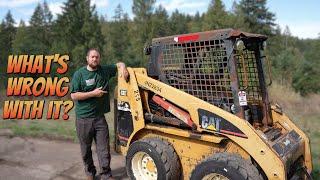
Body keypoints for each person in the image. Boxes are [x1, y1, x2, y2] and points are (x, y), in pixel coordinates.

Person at [70, 48, 128, 180]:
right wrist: (93, 93)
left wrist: (124, 69)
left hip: (99, 118)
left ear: (99, 59)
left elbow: (119, 64)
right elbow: (74, 95)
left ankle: (106, 175)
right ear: (87, 58)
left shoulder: (104, 70)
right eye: (92, 57)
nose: (95, 59)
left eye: (97, 57)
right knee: (86, 149)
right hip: (83, 119)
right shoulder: (79, 74)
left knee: (104, 149)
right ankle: (90, 173)